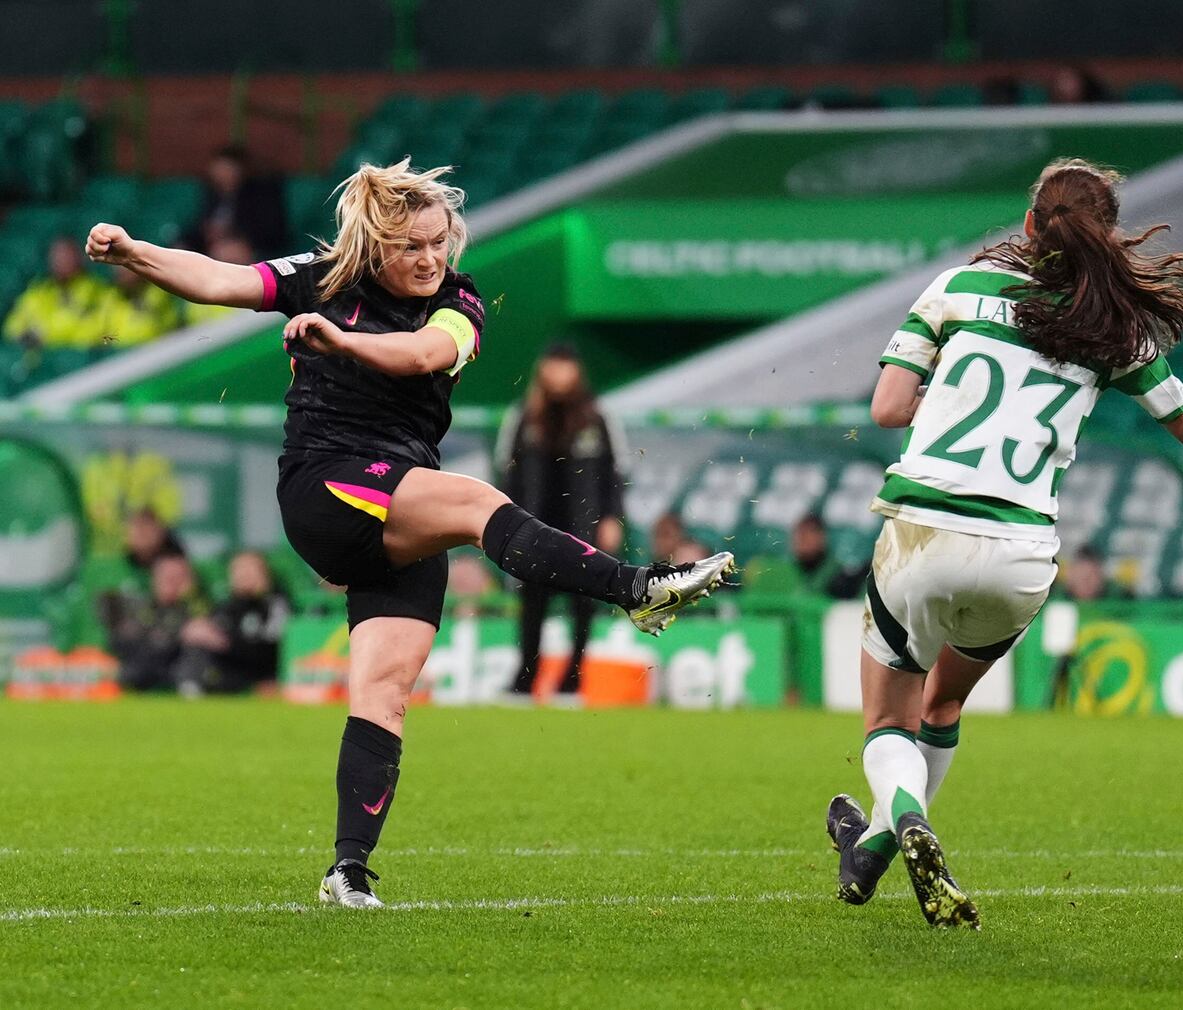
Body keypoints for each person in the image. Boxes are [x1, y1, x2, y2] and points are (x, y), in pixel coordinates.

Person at [85, 157, 733, 908]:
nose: (430, 258)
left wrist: (343, 343)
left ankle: (347, 870)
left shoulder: (459, 301)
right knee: (472, 502)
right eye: (411, 247)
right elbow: (222, 280)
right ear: (375, 247)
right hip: (326, 487)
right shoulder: (324, 277)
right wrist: (135, 252)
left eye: (439, 241)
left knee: (384, 695)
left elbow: (424, 354)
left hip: (399, 508)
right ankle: (635, 588)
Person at [824, 157, 1183, 928]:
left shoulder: (960, 290)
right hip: (1020, 556)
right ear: (1108, 237)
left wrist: (947, 394)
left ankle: (905, 817)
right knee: (945, 702)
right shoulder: (1116, 329)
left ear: (1030, 226)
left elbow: (890, 405)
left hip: (924, 531)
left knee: (887, 725)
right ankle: (870, 847)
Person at [497, 345, 625, 697]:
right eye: (553, 366)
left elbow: (614, 473)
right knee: (532, 604)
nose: (559, 374)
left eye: (566, 366)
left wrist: (612, 516)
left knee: (583, 605)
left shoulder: (597, 418)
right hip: (534, 528)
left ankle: (573, 679)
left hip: (582, 528)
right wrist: (507, 520)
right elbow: (507, 474)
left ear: (577, 371)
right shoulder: (524, 416)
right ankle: (525, 678)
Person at [174, 550, 291, 695]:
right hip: (229, 672)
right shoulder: (227, 606)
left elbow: (274, 647)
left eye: (249, 569)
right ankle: (189, 686)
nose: (243, 575)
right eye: (238, 570)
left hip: (262, 677)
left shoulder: (275, 604)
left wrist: (224, 643)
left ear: (265, 574)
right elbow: (211, 634)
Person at [103, 553, 210, 692]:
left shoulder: (193, 607)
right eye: (166, 576)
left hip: (176, 671)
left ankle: (189, 687)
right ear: (154, 578)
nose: (171, 582)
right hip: (138, 673)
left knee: (198, 642)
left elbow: (204, 629)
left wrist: (190, 597)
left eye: (177, 577)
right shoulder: (140, 606)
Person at [2, 235, 113, 349]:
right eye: (56, 255)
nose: (60, 260)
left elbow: (106, 333)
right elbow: (11, 329)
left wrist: (49, 336)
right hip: (45, 362)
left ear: (79, 258)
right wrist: (27, 337)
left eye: (66, 255)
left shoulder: (98, 291)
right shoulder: (37, 294)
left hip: (90, 361)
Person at [185, 144, 289, 258]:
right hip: (211, 245)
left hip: (249, 246)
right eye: (219, 168)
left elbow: (270, 230)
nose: (222, 174)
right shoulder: (212, 194)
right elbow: (199, 227)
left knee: (224, 252)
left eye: (228, 168)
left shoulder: (260, 193)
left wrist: (232, 234)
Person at [98, 266, 182, 348]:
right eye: (120, 273)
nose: (124, 276)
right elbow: (103, 333)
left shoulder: (157, 292)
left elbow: (170, 323)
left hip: (158, 346)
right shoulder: (112, 298)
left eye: (127, 271)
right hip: (122, 353)